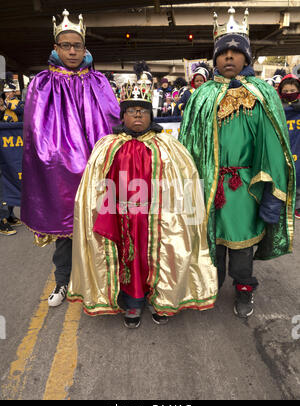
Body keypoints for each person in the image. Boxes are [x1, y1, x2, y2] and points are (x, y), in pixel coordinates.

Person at [67, 64, 218, 328]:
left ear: (151, 115)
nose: (138, 116)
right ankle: (133, 303)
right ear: (122, 116)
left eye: (143, 112)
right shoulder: (107, 146)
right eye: (132, 111)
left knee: (164, 255)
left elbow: (185, 184)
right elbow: (94, 188)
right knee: (130, 259)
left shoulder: (169, 146)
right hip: (121, 216)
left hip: (159, 218)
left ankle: (163, 300)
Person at [179, 7, 296, 318]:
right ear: (215, 58)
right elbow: (187, 145)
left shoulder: (262, 95)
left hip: (245, 187)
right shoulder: (201, 96)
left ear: (247, 58)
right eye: (223, 52)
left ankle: (244, 288)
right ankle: (210, 286)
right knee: (211, 243)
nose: (229, 58)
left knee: (242, 248)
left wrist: (271, 194)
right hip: (209, 185)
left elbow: (272, 147)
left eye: (236, 52)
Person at [21, 9, 120, 306]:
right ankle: (63, 281)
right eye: (66, 45)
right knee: (65, 228)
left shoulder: (99, 81)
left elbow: (113, 120)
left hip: (96, 165)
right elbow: (35, 130)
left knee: (101, 225)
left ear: (85, 48)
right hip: (59, 168)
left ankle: (102, 280)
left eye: (77, 45)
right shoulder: (41, 83)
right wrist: (55, 160)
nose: (73, 51)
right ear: (56, 48)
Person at [277, 74, 300, 219]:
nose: (289, 93)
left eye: (293, 90)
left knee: (298, 177)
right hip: (283, 148)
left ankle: (298, 206)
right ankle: (282, 204)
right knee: (282, 176)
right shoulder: (277, 109)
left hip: (298, 148)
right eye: (286, 91)